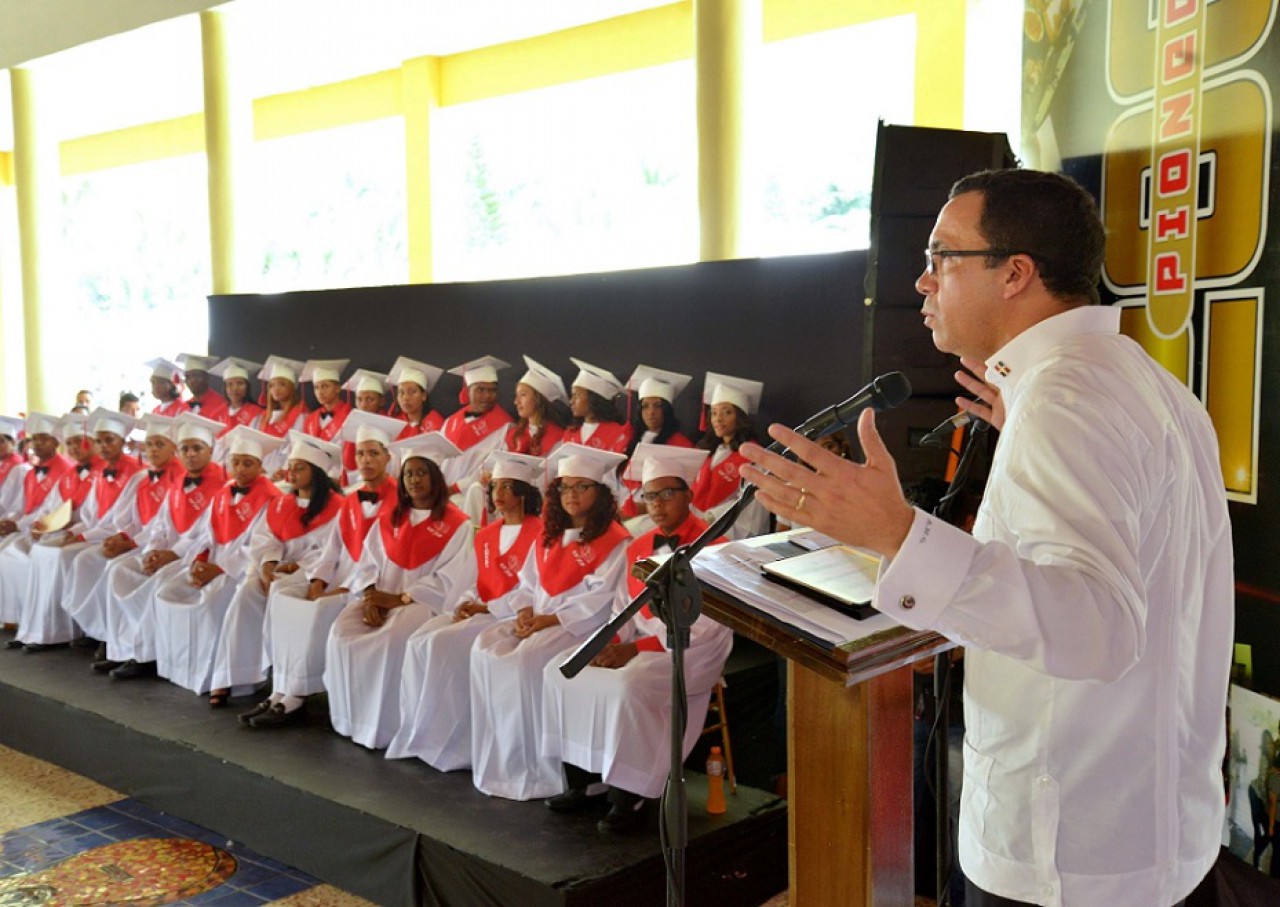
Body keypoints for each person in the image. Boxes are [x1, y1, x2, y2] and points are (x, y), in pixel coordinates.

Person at [739, 168, 1233, 907]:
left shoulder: (1066, 401)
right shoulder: (1129, 380)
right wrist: (1029, 431)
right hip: (1145, 836)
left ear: (1016, 273)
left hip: (1067, 863)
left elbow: (1098, 626)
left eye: (943, 256)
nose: (922, 279)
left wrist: (898, 533)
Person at [542, 443, 731, 832]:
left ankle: (631, 794)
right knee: (562, 670)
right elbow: (622, 608)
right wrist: (610, 642)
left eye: (667, 494)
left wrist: (634, 648)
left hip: (693, 651)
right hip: (643, 641)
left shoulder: (716, 547)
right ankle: (584, 779)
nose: (657, 505)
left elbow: (705, 626)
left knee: (632, 683)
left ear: (688, 496)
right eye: (649, 496)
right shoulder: (640, 546)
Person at [470, 444, 631, 801]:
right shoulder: (549, 534)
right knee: (484, 647)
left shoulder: (615, 542)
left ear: (600, 493)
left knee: (526, 661)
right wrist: (525, 610)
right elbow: (527, 583)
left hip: (581, 627)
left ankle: (544, 769)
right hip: (539, 621)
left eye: (581, 487)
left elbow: (601, 600)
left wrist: (549, 619)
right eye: (564, 487)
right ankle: (504, 763)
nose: (571, 495)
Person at [386, 451, 546, 769]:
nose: (498, 495)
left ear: (524, 492)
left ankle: (455, 742)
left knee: (440, 644)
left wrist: (485, 607)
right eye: (495, 487)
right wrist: (463, 603)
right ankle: (423, 733)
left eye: (506, 488)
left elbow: (535, 588)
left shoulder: (540, 534)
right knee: (419, 641)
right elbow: (472, 580)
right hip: (478, 610)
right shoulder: (486, 535)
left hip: (509, 615)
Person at [244, 410, 401, 728]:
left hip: (376, 582)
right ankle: (281, 688)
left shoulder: (401, 500)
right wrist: (319, 579)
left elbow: (393, 557)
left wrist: (352, 586)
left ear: (388, 457)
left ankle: (295, 697)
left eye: (373, 453)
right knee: (284, 593)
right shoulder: (352, 498)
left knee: (315, 612)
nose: (366, 460)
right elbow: (333, 547)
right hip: (344, 572)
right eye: (360, 453)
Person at [323, 432, 475, 750]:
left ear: (436, 478)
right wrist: (369, 596)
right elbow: (367, 563)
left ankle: (387, 728)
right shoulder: (389, 518)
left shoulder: (457, 524)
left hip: (421, 602)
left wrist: (399, 598)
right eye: (408, 473)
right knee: (341, 631)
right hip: (380, 596)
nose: (414, 480)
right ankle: (352, 719)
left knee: (392, 641)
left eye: (422, 473)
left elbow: (449, 579)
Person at [211, 432, 344, 716]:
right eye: (291, 466)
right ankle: (234, 674)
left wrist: (297, 567)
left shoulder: (338, 508)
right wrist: (269, 563)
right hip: (277, 569)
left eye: (300, 468)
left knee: (283, 593)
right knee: (246, 592)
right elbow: (265, 539)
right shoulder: (281, 503)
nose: (292, 473)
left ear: (317, 472)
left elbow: (330, 551)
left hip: (315, 573)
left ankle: (286, 685)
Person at [150, 424, 283, 696]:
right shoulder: (223, 493)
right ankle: (183, 669)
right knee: (166, 591)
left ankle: (221, 676)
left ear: (260, 465)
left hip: (243, 570)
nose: (241, 469)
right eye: (236, 463)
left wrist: (220, 568)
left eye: (248, 463)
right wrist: (199, 560)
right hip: (211, 564)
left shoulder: (270, 498)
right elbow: (205, 535)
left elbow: (260, 545)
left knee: (212, 602)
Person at [99, 412, 227, 681]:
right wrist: (152, 551)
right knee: (117, 570)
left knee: (161, 582)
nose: (190, 455)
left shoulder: (221, 485)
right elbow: (160, 524)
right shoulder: (178, 482)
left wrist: (173, 553)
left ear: (211, 450)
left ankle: (145, 655)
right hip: (167, 551)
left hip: (193, 554)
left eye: (197, 448)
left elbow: (206, 533)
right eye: (185, 449)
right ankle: (120, 647)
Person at [65, 413, 187, 672]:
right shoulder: (142, 478)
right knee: (92, 560)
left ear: (174, 447)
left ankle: (139, 648)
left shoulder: (181, 479)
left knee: (115, 568)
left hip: (169, 547)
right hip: (145, 542)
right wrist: (122, 537)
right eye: (150, 444)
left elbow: (167, 527)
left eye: (160, 444)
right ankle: (110, 639)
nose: (152, 450)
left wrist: (136, 543)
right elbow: (127, 518)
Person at [21, 409, 143, 653]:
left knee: (69, 556)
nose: (104, 446)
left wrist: (81, 536)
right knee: (44, 550)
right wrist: (72, 532)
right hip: (98, 533)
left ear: (122, 442)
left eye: (110, 440)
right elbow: (89, 516)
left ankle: (80, 628)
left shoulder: (136, 473)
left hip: (119, 537)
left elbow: (122, 522)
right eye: (99, 440)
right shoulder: (100, 475)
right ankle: (41, 627)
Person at [0, 413, 71, 633]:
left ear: (56, 442)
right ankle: (12, 614)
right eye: (35, 438)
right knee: (5, 549)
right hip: (29, 526)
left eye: (44, 438)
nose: (37, 444)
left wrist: (19, 525)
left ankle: (26, 616)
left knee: (13, 554)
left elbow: (52, 510)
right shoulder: (32, 472)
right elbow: (21, 507)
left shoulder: (65, 471)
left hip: (53, 527)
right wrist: (10, 521)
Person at [691, 372, 769, 540]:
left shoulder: (754, 456)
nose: (718, 419)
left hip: (731, 528)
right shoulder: (709, 451)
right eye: (714, 413)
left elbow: (752, 505)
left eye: (727, 412)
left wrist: (713, 516)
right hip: (700, 523)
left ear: (740, 417)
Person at [619, 365, 695, 524]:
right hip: (628, 505)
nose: (651, 412)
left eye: (657, 406)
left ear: (666, 410)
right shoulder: (634, 440)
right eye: (645, 406)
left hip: (659, 513)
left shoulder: (680, 444)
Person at [440, 355, 514, 508]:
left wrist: (455, 488)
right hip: (442, 497)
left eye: (492, 390)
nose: (487, 396)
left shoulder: (506, 427)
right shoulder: (450, 422)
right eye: (480, 390)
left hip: (475, 500)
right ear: (468, 391)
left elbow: (493, 468)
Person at [561, 358, 632, 454]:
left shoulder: (617, 433)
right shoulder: (570, 433)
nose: (571, 401)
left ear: (593, 399)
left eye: (577, 396)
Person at [339, 369, 391, 482]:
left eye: (370, 399)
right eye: (359, 399)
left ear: (382, 401)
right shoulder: (351, 424)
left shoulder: (389, 425)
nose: (363, 405)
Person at [387, 356, 444, 438]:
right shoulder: (395, 423)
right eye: (401, 393)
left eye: (412, 392)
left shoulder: (436, 422)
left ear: (424, 396)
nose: (405, 397)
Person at [299, 359, 352, 444]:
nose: (319, 392)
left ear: (338, 388)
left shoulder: (349, 415)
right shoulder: (310, 419)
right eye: (316, 387)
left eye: (325, 386)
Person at [208, 356, 264, 434]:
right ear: (225, 388)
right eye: (230, 384)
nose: (235, 388)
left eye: (240, 383)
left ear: (247, 386)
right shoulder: (217, 414)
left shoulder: (257, 413)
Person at [176, 354, 230, 424]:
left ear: (206, 377)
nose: (191, 381)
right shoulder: (183, 407)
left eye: (195, 376)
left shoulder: (221, 404)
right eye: (187, 377)